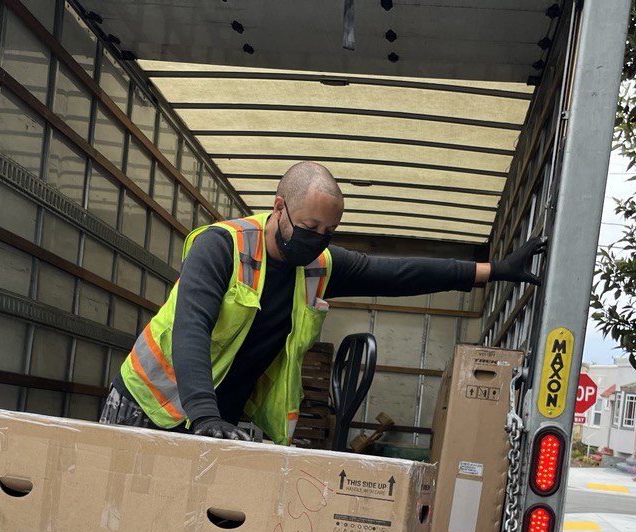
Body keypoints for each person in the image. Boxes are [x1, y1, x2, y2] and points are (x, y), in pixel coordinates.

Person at [100, 161, 545, 443]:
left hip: (217, 421)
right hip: (148, 404)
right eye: (311, 227)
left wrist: (493, 271)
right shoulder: (222, 247)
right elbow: (191, 328)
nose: (318, 242)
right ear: (279, 208)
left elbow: (398, 273)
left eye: (329, 233)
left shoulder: (319, 265)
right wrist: (202, 415)